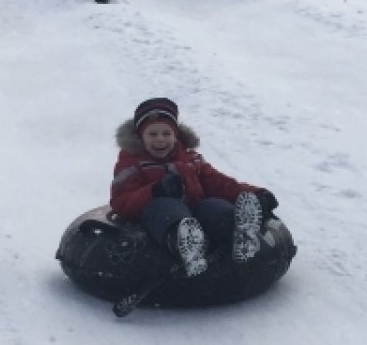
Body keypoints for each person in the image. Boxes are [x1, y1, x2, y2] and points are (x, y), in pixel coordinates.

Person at [109, 97, 279, 277]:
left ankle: (239, 233)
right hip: (158, 218)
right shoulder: (131, 164)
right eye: (153, 134)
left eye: (166, 133)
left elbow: (219, 183)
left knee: (213, 205)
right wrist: (155, 191)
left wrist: (255, 193)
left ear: (176, 135)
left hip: (196, 211)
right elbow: (121, 201)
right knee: (165, 207)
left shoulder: (191, 159)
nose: (160, 140)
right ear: (140, 137)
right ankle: (185, 244)